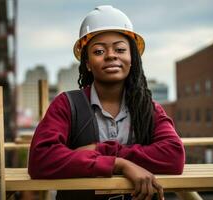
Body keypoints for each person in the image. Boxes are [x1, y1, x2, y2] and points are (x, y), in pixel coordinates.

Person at [28, 5, 185, 200]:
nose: (111, 55)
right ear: (87, 63)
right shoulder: (66, 105)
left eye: (120, 49)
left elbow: (174, 156)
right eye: (99, 51)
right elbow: (41, 159)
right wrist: (119, 164)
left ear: (132, 58)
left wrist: (102, 150)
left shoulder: (148, 109)